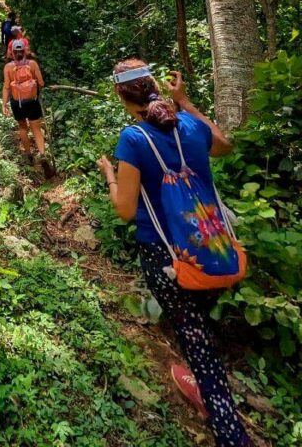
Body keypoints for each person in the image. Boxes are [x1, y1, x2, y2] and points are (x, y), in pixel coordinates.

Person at [96, 59, 252, 447]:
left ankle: (229, 430)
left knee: (196, 340)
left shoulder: (133, 139)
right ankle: (206, 380)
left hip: (168, 259)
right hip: (213, 249)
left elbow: (125, 210)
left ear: (120, 94)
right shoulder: (189, 125)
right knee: (199, 326)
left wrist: (110, 175)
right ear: (154, 85)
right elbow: (225, 145)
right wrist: (186, 103)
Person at [2, 40, 47, 162]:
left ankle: (28, 155)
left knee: (22, 128)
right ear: (24, 51)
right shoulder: (32, 64)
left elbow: (6, 87)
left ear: (12, 52)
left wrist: (4, 104)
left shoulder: (8, 67)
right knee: (36, 129)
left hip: (17, 102)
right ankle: (42, 154)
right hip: (32, 101)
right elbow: (41, 83)